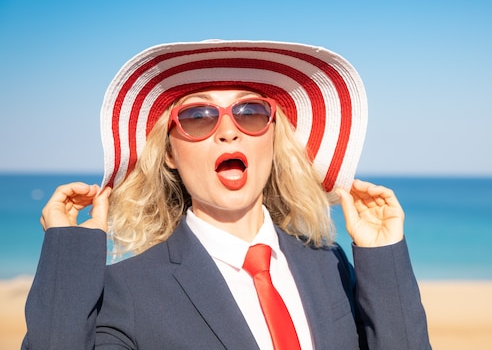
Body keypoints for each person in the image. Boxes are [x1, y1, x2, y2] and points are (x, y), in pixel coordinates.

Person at [22, 40, 431, 349]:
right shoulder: (127, 291)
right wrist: (69, 251)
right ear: (169, 153)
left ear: (273, 138)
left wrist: (383, 259)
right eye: (197, 117)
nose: (228, 129)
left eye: (250, 112)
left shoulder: (331, 264)